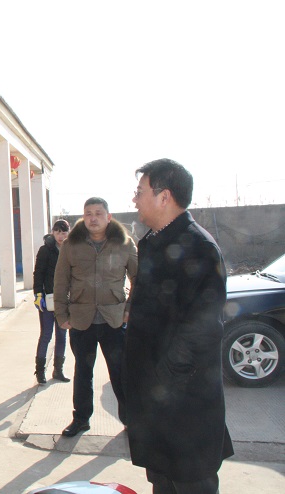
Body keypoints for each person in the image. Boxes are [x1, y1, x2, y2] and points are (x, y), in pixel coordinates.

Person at [125, 159, 234, 493]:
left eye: (140, 192)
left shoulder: (199, 248)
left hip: (183, 402)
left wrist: (162, 382)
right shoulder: (151, 243)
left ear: (164, 197)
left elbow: (201, 329)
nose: (134, 200)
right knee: (163, 481)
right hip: (157, 401)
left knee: (190, 481)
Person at [53, 197, 137, 437]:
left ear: (108, 217)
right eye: (88, 213)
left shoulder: (124, 243)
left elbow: (139, 278)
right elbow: (61, 282)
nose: (93, 218)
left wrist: (129, 309)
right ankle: (81, 419)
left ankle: (131, 420)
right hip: (81, 320)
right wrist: (61, 314)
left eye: (98, 213)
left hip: (114, 320)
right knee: (83, 372)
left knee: (120, 372)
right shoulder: (71, 245)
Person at [32, 219, 71, 384]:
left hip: (65, 300)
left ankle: (58, 370)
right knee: (46, 334)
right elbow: (38, 273)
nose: (61, 236)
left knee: (62, 335)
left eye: (64, 232)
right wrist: (38, 295)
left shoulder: (71, 249)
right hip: (48, 299)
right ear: (53, 232)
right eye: (57, 232)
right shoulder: (45, 250)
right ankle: (40, 371)